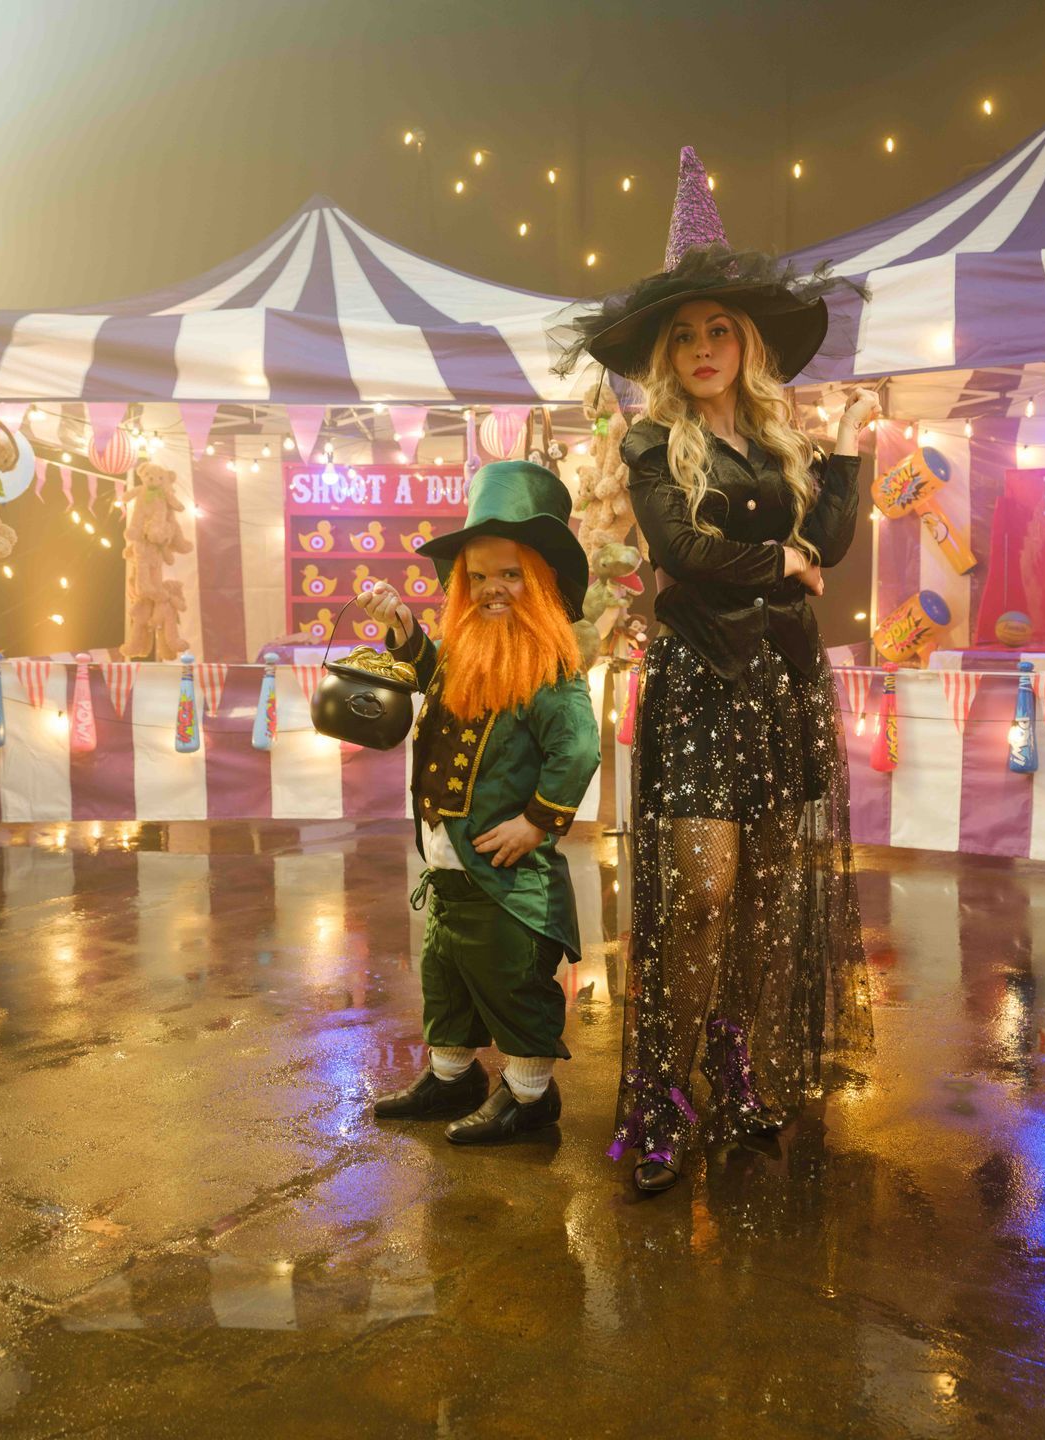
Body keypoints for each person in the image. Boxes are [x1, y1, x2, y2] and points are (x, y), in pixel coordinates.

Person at [553, 146, 876, 1194]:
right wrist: (779, 559)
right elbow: (680, 554)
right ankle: (660, 1094)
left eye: (718, 329)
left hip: (781, 689)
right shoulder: (654, 444)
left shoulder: (784, 444)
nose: (702, 345)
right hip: (698, 688)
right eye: (684, 332)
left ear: (747, 342)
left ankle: (738, 1071)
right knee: (700, 894)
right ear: (665, 351)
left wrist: (853, 453)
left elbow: (831, 541)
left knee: (765, 901)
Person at [359, 461, 601, 1145]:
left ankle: (528, 1096)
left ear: (542, 582)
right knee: (447, 977)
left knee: (510, 979)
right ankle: (451, 1075)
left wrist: (538, 822)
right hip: (450, 866)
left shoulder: (551, 672)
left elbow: (578, 751)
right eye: (477, 576)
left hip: (509, 881)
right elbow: (433, 674)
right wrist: (402, 623)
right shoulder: (466, 657)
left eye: (511, 573)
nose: (492, 588)